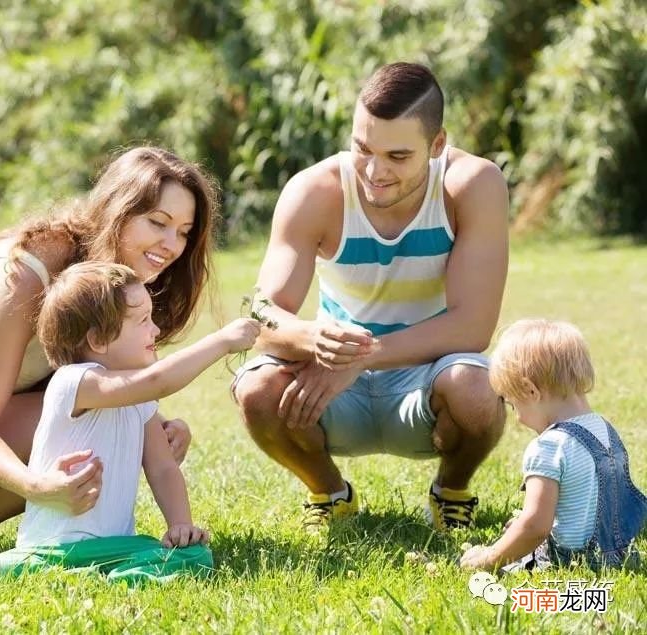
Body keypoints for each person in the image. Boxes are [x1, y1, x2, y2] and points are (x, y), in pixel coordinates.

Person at [0, 147, 219, 551]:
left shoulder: (106, 284)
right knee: (115, 409)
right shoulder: (22, 277)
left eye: (184, 232)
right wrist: (37, 486)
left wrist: (155, 429)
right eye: (158, 222)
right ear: (116, 211)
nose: (171, 245)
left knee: (123, 411)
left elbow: (93, 385)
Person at [231, 62, 509, 531]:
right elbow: (262, 312)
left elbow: (473, 327)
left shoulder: (472, 185)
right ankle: (330, 493)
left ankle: (451, 492)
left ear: (437, 145)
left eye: (398, 157)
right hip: (333, 385)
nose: (375, 172)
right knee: (256, 388)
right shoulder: (314, 190)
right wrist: (314, 338)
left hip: (425, 378)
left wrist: (361, 357)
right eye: (363, 149)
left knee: (476, 390)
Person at [0, 262, 261, 582]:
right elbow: (157, 381)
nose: (155, 330)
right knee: (2, 569)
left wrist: (180, 524)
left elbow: (162, 467)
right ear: (98, 340)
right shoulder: (74, 383)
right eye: (143, 320)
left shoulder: (140, 397)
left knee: (196, 554)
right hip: (54, 548)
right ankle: (118, 577)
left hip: (118, 546)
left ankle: (114, 578)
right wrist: (222, 341)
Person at [460, 319, 647, 572]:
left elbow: (536, 527)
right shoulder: (604, 429)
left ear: (530, 391)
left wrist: (491, 558)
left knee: (500, 555)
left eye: (514, 405)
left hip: (570, 563)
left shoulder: (549, 447)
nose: (518, 418)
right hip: (622, 556)